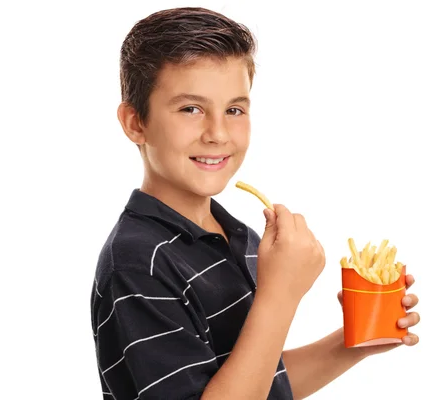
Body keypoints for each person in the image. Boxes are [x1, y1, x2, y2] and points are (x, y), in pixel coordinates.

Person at [90, 6, 420, 400]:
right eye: (190, 109)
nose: (217, 133)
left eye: (234, 110)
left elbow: (257, 383)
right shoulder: (137, 263)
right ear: (135, 123)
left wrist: (352, 342)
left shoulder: (234, 236)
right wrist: (280, 296)